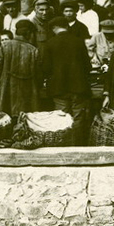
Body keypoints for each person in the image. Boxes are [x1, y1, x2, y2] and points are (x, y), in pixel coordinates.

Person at [40, 16, 93, 144]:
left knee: (62, 118)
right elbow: (88, 66)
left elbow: (45, 68)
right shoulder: (78, 42)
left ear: (54, 28)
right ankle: (78, 144)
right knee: (78, 118)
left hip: (59, 89)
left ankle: (65, 145)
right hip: (79, 88)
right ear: (67, 26)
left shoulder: (49, 44)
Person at [0, 21, 42, 116]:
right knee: (23, 118)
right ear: (29, 34)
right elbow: (39, 75)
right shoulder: (33, 50)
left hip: (6, 90)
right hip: (26, 92)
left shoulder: (5, 46)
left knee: (4, 117)